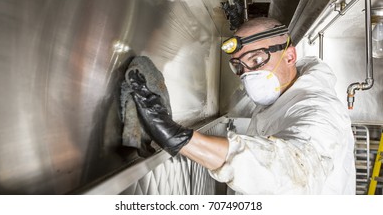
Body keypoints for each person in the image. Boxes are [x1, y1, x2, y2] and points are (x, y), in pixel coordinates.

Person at [128, 17, 356, 194]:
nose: (248, 75)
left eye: (256, 60)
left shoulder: (319, 110)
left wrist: (178, 137)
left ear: (289, 56)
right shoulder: (279, 96)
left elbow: (297, 170)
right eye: (239, 67)